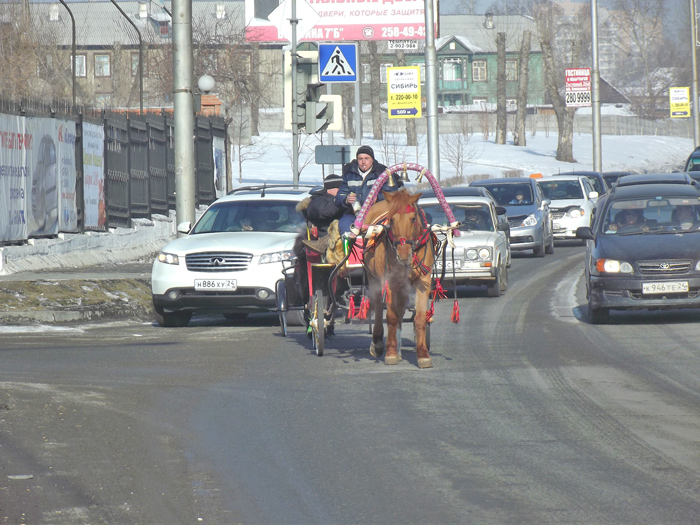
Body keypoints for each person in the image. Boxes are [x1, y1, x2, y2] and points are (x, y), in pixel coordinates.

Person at [335, 145, 402, 234]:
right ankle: (348, 247)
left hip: (377, 215)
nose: (363, 162)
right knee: (345, 226)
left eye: (366, 158)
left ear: (372, 159)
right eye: (360, 159)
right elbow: (339, 197)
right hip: (353, 215)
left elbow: (392, 194)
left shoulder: (382, 173)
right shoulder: (349, 175)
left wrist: (378, 198)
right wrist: (346, 200)